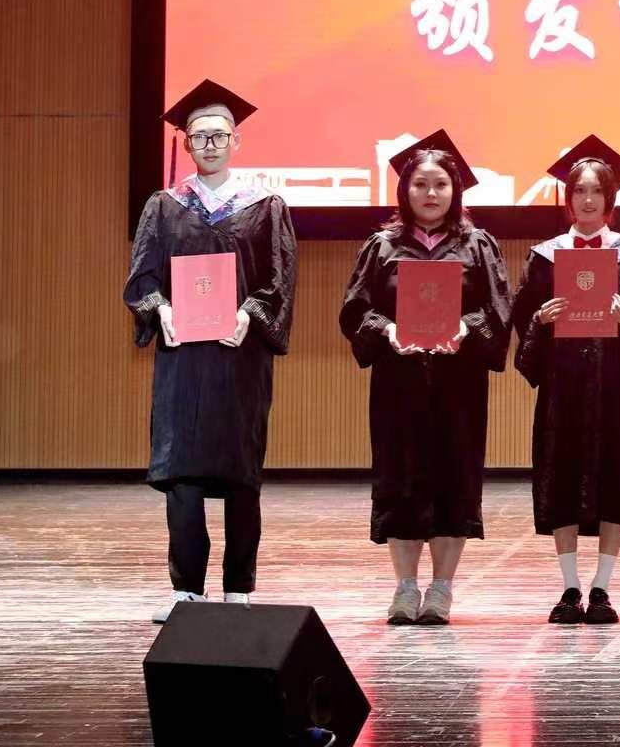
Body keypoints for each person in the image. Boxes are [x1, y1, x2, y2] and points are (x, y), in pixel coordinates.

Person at [124, 80, 297, 623]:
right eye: (200, 136)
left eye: (220, 135)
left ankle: (238, 587)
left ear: (236, 142)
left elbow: (279, 280)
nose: (210, 144)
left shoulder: (265, 207)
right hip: (184, 356)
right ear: (186, 142)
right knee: (183, 473)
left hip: (239, 356)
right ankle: (187, 591)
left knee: (242, 471)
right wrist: (162, 311)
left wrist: (249, 315)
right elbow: (142, 278)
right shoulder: (164, 206)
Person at [339, 130, 510, 626]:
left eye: (440, 184)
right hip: (399, 382)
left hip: (459, 383)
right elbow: (355, 310)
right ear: (405, 190)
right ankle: (405, 586)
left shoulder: (478, 245)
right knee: (401, 477)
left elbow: (498, 311)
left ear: (455, 190)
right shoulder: (382, 246)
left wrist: (467, 328)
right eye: (420, 185)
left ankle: (441, 587)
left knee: (454, 476)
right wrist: (388, 330)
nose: (430, 193)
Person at [510, 135, 620, 625]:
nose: (588, 200)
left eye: (597, 191)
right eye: (580, 190)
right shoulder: (544, 256)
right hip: (564, 387)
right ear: (568, 198)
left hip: (616, 387)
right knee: (561, 477)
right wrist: (542, 320)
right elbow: (523, 320)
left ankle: (601, 588)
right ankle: (570, 586)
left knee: (616, 480)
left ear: (610, 199)